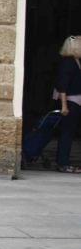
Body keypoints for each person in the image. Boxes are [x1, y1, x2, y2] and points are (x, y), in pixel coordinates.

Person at [54, 35, 81, 173]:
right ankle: (62, 163)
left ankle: (64, 162)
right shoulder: (68, 62)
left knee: (69, 133)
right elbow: (62, 86)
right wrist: (64, 106)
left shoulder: (76, 61)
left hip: (75, 101)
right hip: (70, 102)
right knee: (66, 133)